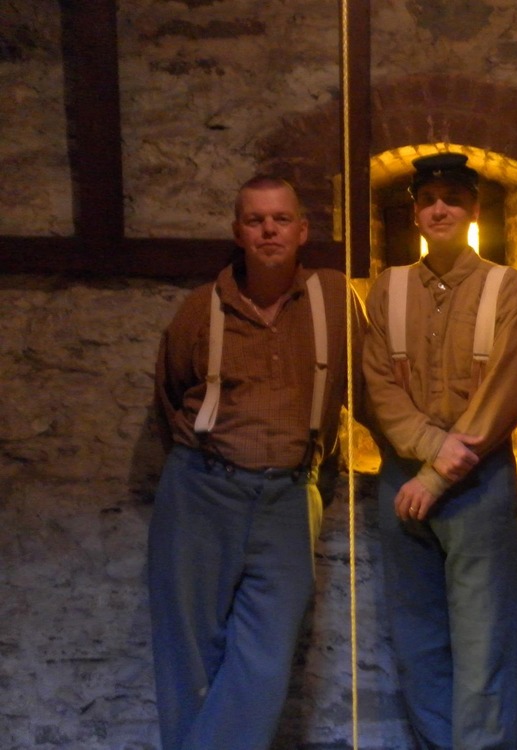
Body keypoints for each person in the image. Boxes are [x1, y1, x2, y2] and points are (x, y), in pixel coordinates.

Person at [148, 175, 366, 750]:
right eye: (255, 220)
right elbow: (170, 392)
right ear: (238, 232)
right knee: (189, 653)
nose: (269, 230)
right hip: (202, 489)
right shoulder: (202, 308)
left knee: (266, 660)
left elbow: (367, 386)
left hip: (289, 496)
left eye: (280, 219)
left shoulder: (334, 300)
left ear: (302, 231)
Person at [363, 152, 517, 749]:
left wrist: (438, 472)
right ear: (415, 212)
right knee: (417, 640)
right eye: (428, 200)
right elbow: (378, 388)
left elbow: (506, 389)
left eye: (453, 199)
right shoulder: (388, 289)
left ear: (474, 210)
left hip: (476, 482)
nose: (440, 209)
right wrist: (430, 452)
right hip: (403, 475)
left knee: (483, 640)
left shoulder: (506, 287)